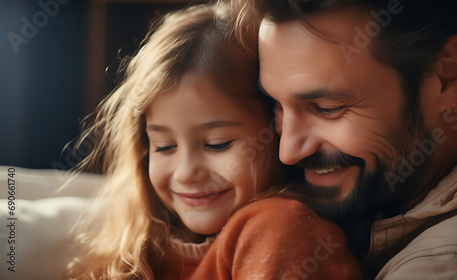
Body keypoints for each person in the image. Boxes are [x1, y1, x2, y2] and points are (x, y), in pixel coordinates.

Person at [63, 2, 362, 279]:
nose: (186, 173)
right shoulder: (139, 249)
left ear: (277, 131)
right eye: (165, 146)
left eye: (218, 144)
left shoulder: (279, 227)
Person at [238, 0, 457, 278]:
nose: (287, 152)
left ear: (447, 75)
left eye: (327, 108)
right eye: (276, 105)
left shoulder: (446, 266)